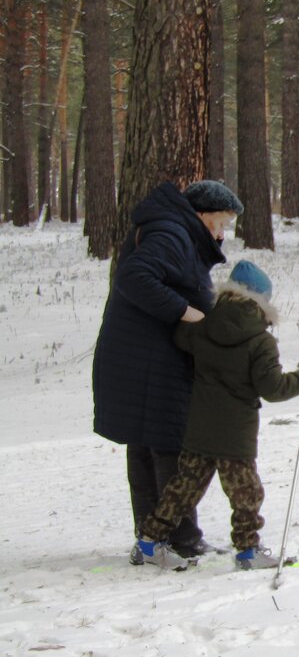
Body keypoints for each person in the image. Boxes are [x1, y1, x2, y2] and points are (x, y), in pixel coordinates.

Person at [135, 260, 299, 571]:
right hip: (235, 434)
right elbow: (273, 388)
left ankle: (148, 541)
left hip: (200, 428)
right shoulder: (262, 341)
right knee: (247, 494)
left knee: (184, 489)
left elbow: (181, 339)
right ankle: (247, 552)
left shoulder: (203, 325)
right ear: (262, 300)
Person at [92, 179, 243, 565]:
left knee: (146, 443)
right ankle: (180, 539)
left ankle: (153, 537)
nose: (222, 232)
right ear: (202, 214)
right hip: (149, 360)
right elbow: (135, 277)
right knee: (169, 442)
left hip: (140, 357)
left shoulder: (172, 229)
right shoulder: (172, 232)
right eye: (221, 222)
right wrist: (184, 311)